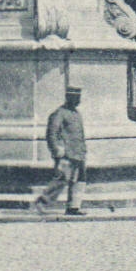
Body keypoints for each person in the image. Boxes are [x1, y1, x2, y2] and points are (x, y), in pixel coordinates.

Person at [33, 85, 88, 215]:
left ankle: (73, 207)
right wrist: (56, 149)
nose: (78, 100)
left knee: (79, 181)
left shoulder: (76, 114)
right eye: (75, 97)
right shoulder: (59, 113)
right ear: (69, 97)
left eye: (78, 97)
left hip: (79, 153)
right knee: (61, 180)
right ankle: (42, 202)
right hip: (67, 154)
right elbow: (52, 133)